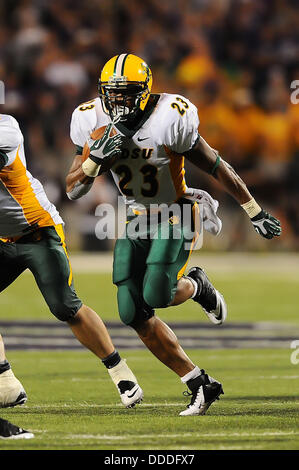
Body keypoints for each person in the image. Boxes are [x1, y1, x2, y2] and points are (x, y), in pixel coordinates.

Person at [67, 53, 281, 416]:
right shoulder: (90, 119)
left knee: (157, 294)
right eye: (112, 94)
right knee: (131, 310)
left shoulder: (171, 116)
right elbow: (73, 188)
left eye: (127, 93)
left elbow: (215, 164)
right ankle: (199, 382)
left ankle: (197, 285)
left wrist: (253, 209)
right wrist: (92, 161)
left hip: (176, 211)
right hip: (135, 215)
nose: (117, 102)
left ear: (145, 90)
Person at [0, 113, 143, 409]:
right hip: (2, 238)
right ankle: (6, 384)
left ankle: (120, 372)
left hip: (38, 231)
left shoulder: (7, 128)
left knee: (66, 307)